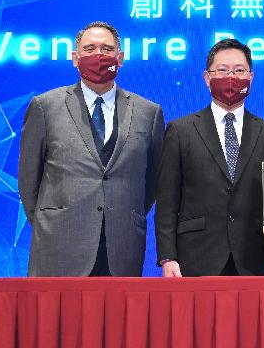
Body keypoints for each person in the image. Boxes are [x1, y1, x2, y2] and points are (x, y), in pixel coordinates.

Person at [19, 21, 164, 276]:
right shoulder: (45, 106)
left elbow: (152, 181)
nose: (99, 55)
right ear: (75, 58)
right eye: (89, 49)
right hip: (58, 244)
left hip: (122, 247)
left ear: (120, 58)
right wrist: (50, 220)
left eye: (107, 49)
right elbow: (29, 179)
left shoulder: (148, 112)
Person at [155, 39, 264, 276]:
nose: (231, 77)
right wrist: (168, 257)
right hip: (194, 258)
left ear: (251, 77)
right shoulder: (180, 130)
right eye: (222, 70)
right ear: (207, 78)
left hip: (254, 259)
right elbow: (167, 200)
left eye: (239, 70)